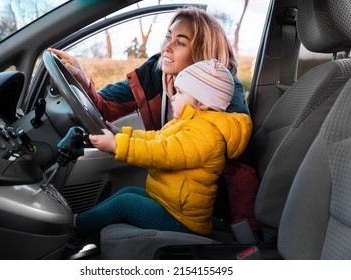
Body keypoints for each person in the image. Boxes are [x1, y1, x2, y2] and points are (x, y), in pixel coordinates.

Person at [72, 59, 252, 237]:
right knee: (127, 192)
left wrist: (116, 145)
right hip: (170, 205)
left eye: (180, 92)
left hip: (182, 220)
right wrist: (121, 135)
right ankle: (81, 224)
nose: (173, 96)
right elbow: (157, 138)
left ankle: (74, 229)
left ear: (203, 103)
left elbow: (161, 152)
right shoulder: (189, 123)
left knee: (124, 204)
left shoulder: (206, 135)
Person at [48, 6, 249, 132]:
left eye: (180, 43)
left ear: (202, 53)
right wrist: (82, 79)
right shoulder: (155, 73)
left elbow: (238, 168)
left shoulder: (224, 89)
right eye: (168, 37)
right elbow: (105, 108)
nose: (166, 48)